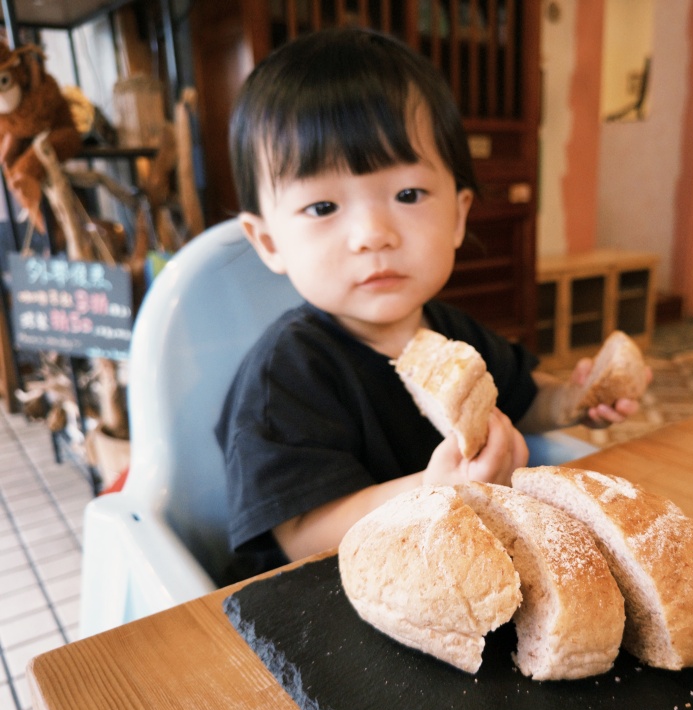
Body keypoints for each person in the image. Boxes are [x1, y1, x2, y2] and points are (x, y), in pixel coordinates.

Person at [216, 27, 648, 579]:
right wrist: (435, 492)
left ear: (459, 214)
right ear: (270, 242)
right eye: (323, 206)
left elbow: (520, 398)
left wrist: (569, 401)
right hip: (323, 595)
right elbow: (305, 536)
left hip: (445, 574)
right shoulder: (287, 374)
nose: (373, 233)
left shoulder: (452, 335)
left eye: (408, 195)